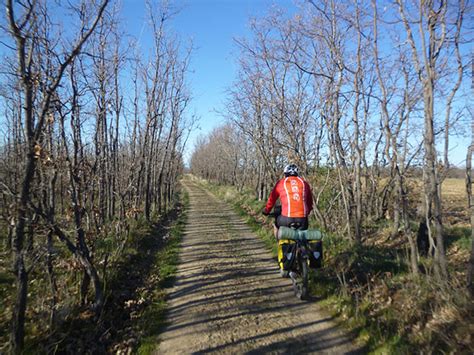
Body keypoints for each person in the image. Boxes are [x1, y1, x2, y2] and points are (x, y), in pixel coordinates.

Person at [262, 164, 314, 275]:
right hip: (303, 219)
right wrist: (306, 212)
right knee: (301, 235)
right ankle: (302, 252)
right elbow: (309, 202)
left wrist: (266, 211)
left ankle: (281, 245)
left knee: (276, 223)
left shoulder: (281, 183)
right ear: (297, 174)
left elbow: (271, 199)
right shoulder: (304, 183)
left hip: (286, 219)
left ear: (285, 174)